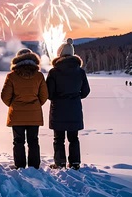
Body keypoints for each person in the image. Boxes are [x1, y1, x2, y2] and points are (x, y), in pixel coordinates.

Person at [46, 38, 90, 170]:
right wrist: (75, 97)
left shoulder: (54, 72)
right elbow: (86, 91)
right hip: (74, 109)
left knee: (58, 138)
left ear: (60, 54)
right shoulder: (80, 71)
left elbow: (48, 92)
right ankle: (75, 162)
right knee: (73, 138)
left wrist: (57, 98)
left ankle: (59, 162)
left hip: (58, 109)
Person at [1, 48, 48, 169]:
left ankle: (20, 165)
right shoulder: (39, 76)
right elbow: (44, 95)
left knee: (18, 141)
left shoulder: (11, 76)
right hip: (34, 114)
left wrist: (14, 105)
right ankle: (34, 165)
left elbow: (5, 96)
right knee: (33, 141)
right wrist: (36, 105)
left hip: (17, 114)